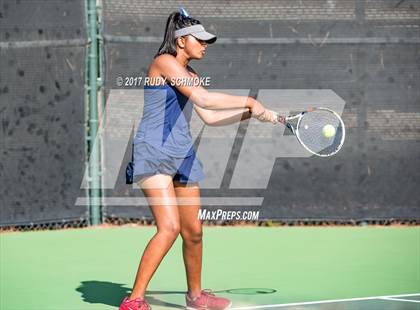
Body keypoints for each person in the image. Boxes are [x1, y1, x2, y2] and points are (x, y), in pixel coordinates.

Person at [119, 8, 278, 310]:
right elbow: (205, 100)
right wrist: (250, 100)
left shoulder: (191, 74)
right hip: (153, 151)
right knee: (169, 227)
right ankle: (135, 300)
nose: (205, 45)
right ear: (181, 41)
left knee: (194, 231)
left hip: (182, 152)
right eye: (200, 40)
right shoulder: (163, 63)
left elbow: (208, 116)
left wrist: (250, 115)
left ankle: (196, 296)